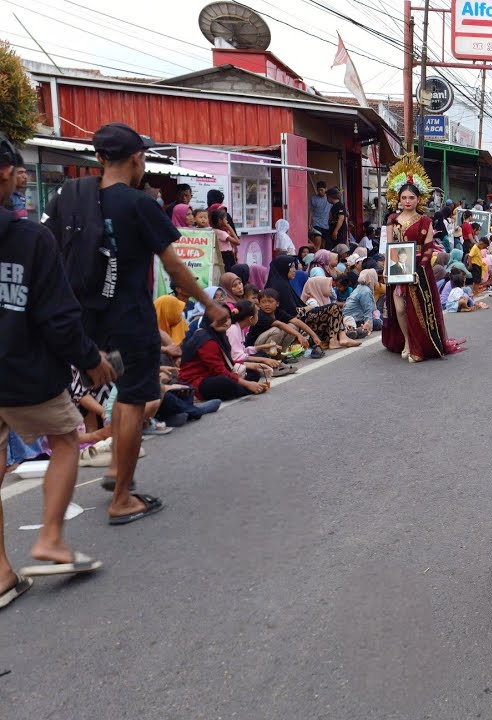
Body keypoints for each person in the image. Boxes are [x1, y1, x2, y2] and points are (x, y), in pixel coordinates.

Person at [42, 123, 227, 525]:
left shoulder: (68, 199)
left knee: (122, 391)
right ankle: (121, 495)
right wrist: (210, 305)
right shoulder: (139, 204)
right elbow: (174, 266)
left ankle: (116, 470)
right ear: (137, 159)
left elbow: (50, 255)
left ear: (98, 158)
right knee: (132, 399)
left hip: (91, 325)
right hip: (132, 323)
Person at [0, 133, 115, 608]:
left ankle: (3, 573)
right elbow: (57, 316)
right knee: (67, 438)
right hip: (24, 370)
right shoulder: (28, 237)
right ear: (5, 172)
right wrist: (93, 361)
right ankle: (49, 538)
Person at [379, 160, 464, 363]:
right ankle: (407, 341)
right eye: (404, 197)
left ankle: (419, 344)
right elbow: (390, 245)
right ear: (398, 199)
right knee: (399, 308)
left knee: (416, 309)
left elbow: (428, 247)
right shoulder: (392, 219)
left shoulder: (425, 221)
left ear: (419, 199)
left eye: (411, 197)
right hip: (398, 267)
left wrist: (421, 266)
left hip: (419, 269)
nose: (407, 201)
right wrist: (386, 267)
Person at [178, 304, 269, 401]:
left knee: (253, 372)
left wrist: (254, 366)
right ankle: (248, 389)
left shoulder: (220, 335)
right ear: (209, 319)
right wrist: (248, 384)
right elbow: (220, 371)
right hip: (197, 381)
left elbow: (227, 362)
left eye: (228, 318)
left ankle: (245, 388)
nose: (225, 322)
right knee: (224, 382)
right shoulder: (207, 340)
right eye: (220, 319)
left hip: (213, 375)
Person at [344, 269, 378, 336]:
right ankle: (360, 329)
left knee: (380, 317)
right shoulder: (366, 291)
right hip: (356, 319)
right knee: (379, 322)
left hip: (351, 317)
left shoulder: (359, 287)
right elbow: (367, 311)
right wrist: (369, 328)